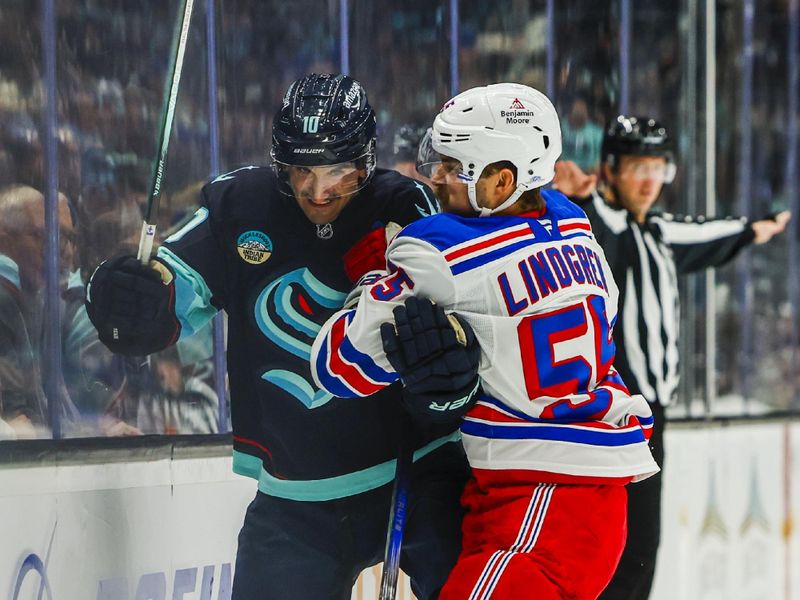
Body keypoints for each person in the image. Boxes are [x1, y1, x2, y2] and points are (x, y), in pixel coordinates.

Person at [84, 73, 473, 599]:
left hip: (414, 474)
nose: (319, 191)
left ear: (366, 162)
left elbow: (460, 325)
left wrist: (450, 374)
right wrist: (129, 298)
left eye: (339, 172)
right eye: (301, 171)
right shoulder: (238, 206)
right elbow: (169, 284)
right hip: (294, 494)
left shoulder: (405, 208)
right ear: (279, 163)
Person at [311, 83, 660, 599]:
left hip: (538, 502)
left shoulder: (439, 251)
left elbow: (338, 368)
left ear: (501, 180)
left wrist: (369, 282)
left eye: (454, 168)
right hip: (586, 501)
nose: (437, 178)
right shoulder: (573, 223)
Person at [552, 115, 791, 600]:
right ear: (612, 168)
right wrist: (567, 195)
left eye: (658, 167)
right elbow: (564, 223)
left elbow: (707, 235)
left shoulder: (657, 232)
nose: (649, 180)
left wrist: (754, 230)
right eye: (638, 165)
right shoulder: (590, 224)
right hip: (604, 420)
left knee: (641, 550)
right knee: (609, 551)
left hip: (651, 419)